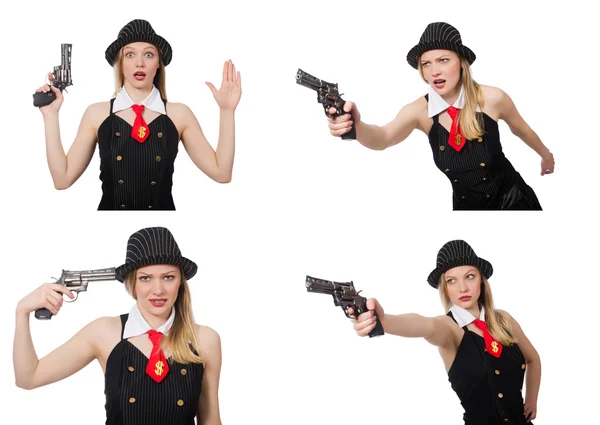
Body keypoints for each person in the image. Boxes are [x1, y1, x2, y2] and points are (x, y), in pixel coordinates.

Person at [327, 22, 553, 210]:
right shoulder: (418, 111)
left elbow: (522, 130)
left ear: (461, 63)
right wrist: (356, 126)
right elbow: (383, 137)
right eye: (426, 64)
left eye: (443, 60)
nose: (434, 71)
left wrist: (546, 155)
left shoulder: (493, 98)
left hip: (513, 202)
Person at [13, 227, 223, 425]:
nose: (158, 290)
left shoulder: (205, 340)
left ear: (180, 282)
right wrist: (22, 311)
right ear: (132, 283)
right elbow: (28, 378)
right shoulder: (104, 332)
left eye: (168, 277)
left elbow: (210, 420)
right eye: (145, 278)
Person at [35, 19, 242, 210]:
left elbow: (221, 173)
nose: (140, 63)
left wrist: (226, 111)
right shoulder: (96, 114)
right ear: (121, 63)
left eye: (149, 54)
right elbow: (62, 180)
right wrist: (50, 115)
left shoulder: (179, 114)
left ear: (158, 63)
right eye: (130, 54)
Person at [348, 240, 541, 425]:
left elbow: (533, 359)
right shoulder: (449, 328)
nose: (462, 288)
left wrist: (531, 400)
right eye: (451, 281)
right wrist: (385, 321)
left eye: (469, 276)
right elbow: (424, 324)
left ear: (481, 280)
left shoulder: (504, 320)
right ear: (445, 288)